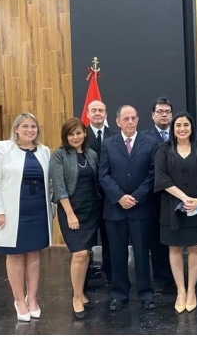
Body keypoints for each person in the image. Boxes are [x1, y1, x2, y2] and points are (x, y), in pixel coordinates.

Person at [0, 112, 52, 322]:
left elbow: (50, 182)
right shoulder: (3, 148)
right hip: (13, 210)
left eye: (33, 126)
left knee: (34, 253)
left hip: (38, 209)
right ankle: (19, 301)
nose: (30, 130)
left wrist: (52, 209)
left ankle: (32, 298)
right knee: (15, 255)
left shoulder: (44, 151)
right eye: (25, 126)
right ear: (16, 129)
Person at [154, 111, 197, 313]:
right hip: (172, 209)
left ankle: (191, 290)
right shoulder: (163, 150)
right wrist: (184, 198)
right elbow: (161, 179)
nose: (182, 129)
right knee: (174, 248)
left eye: (186, 125)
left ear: (192, 128)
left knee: (195, 248)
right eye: (178, 125)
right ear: (173, 129)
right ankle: (180, 291)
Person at [99, 105, 159, 311]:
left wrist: (136, 197)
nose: (130, 122)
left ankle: (145, 293)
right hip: (115, 209)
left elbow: (153, 174)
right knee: (117, 254)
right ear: (118, 122)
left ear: (138, 120)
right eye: (126, 118)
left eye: (133, 118)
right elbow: (103, 174)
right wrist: (119, 197)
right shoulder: (108, 144)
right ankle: (119, 293)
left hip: (140, 208)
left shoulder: (150, 143)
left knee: (142, 253)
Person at [49, 118, 101, 320]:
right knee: (79, 253)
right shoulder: (59, 155)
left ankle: (82, 292)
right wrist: (70, 214)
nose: (75, 137)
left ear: (85, 133)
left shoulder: (91, 154)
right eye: (71, 134)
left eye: (78, 133)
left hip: (91, 210)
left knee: (86, 253)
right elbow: (59, 187)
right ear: (65, 136)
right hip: (71, 210)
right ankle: (77, 297)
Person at [143, 97, 175, 293]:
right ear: (153, 115)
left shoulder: (181, 133)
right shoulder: (144, 137)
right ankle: (161, 277)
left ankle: (176, 275)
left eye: (167, 112)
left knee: (176, 237)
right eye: (160, 112)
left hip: (177, 195)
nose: (164, 115)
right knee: (156, 238)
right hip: (153, 196)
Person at [85, 100, 117, 287]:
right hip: (88, 197)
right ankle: (86, 278)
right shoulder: (80, 135)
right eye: (94, 110)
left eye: (101, 110)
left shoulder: (115, 136)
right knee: (86, 242)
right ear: (87, 114)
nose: (97, 113)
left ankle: (111, 277)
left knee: (109, 239)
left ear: (106, 114)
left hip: (109, 198)